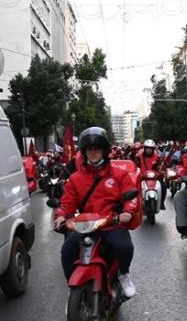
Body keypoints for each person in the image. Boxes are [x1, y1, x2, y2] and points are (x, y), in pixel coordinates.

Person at [53, 127, 139, 298]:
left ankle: (123, 274)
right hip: (87, 225)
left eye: (97, 148)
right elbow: (67, 203)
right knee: (67, 251)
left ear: (104, 151)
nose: (93, 152)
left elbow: (131, 197)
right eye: (89, 149)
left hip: (112, 223)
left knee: (124, 247)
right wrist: (61, 215)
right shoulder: (75, 179)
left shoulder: (119, 174)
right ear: (84, 152)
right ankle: (74, 289)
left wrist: (128, 212)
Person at [135, 139, 166, 210]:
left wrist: (161, 171)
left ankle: (161, 203)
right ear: (145, 148)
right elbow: (136, 166)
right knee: (134, 187)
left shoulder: (157, 157)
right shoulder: (138, 156)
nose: (149, 150)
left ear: (153, 149)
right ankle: (136, 203)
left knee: (163, 185)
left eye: (151, 148)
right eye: (147, 148)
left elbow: (160, 166)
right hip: (142, 176)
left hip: (154, 176)